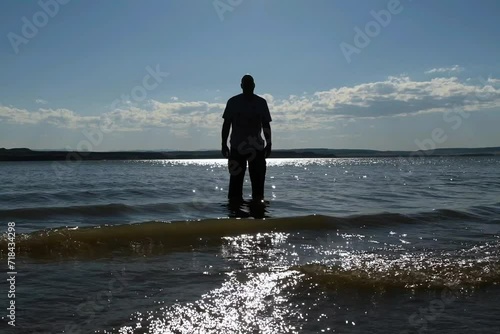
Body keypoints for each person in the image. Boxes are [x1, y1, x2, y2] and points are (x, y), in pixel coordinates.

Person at [221, 74, 272, 202]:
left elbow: (266, 124)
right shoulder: (233, 102)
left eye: (250, 84)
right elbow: (226, 124)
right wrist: (223, 144)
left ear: (254, 86)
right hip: (237, 148)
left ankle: (257, 213)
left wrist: (269, 143)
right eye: (246, 84)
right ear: (241, 86)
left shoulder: (261, 102)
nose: (248, 87)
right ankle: (235, 212)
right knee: (235, 186)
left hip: (256, 149)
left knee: (258, 185)